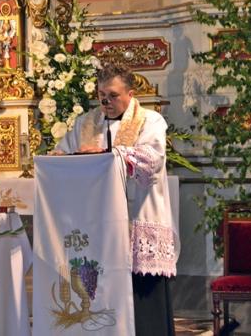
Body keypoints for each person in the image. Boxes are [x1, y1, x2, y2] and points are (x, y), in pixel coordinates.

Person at [51, 64, 177, 335]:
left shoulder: (150, 120)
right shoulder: (86, 123)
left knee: (143, 299)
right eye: (101, 95)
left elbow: (152, 160)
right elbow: (61, 155)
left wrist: (110, 155)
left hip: (137, 215)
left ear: (130, 94)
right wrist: (67, 159)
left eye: (113, 95)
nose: (106, 102)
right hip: (98, 222)